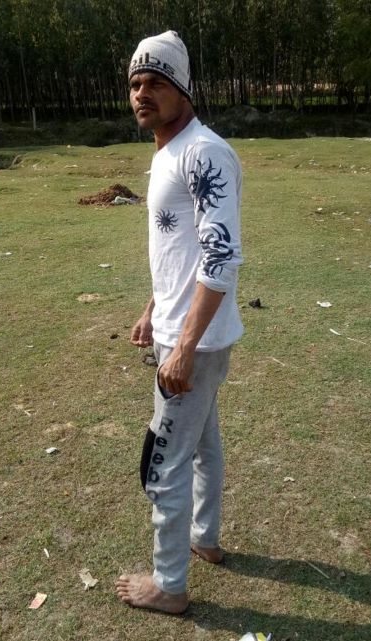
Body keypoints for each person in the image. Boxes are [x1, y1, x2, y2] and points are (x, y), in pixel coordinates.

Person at [115, 30, 244, 614]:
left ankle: (169, 585)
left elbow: (221, 259)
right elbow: (181, 251)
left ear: (183, 89)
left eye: (155, 83)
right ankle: (205, 538)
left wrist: (185, 346)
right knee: (203, 444)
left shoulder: (204, 152)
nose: (141, 94)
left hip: (195, 341)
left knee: (163, 462)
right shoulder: (167, 151)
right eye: (135, 84)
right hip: (181, 330)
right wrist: (152, 308)